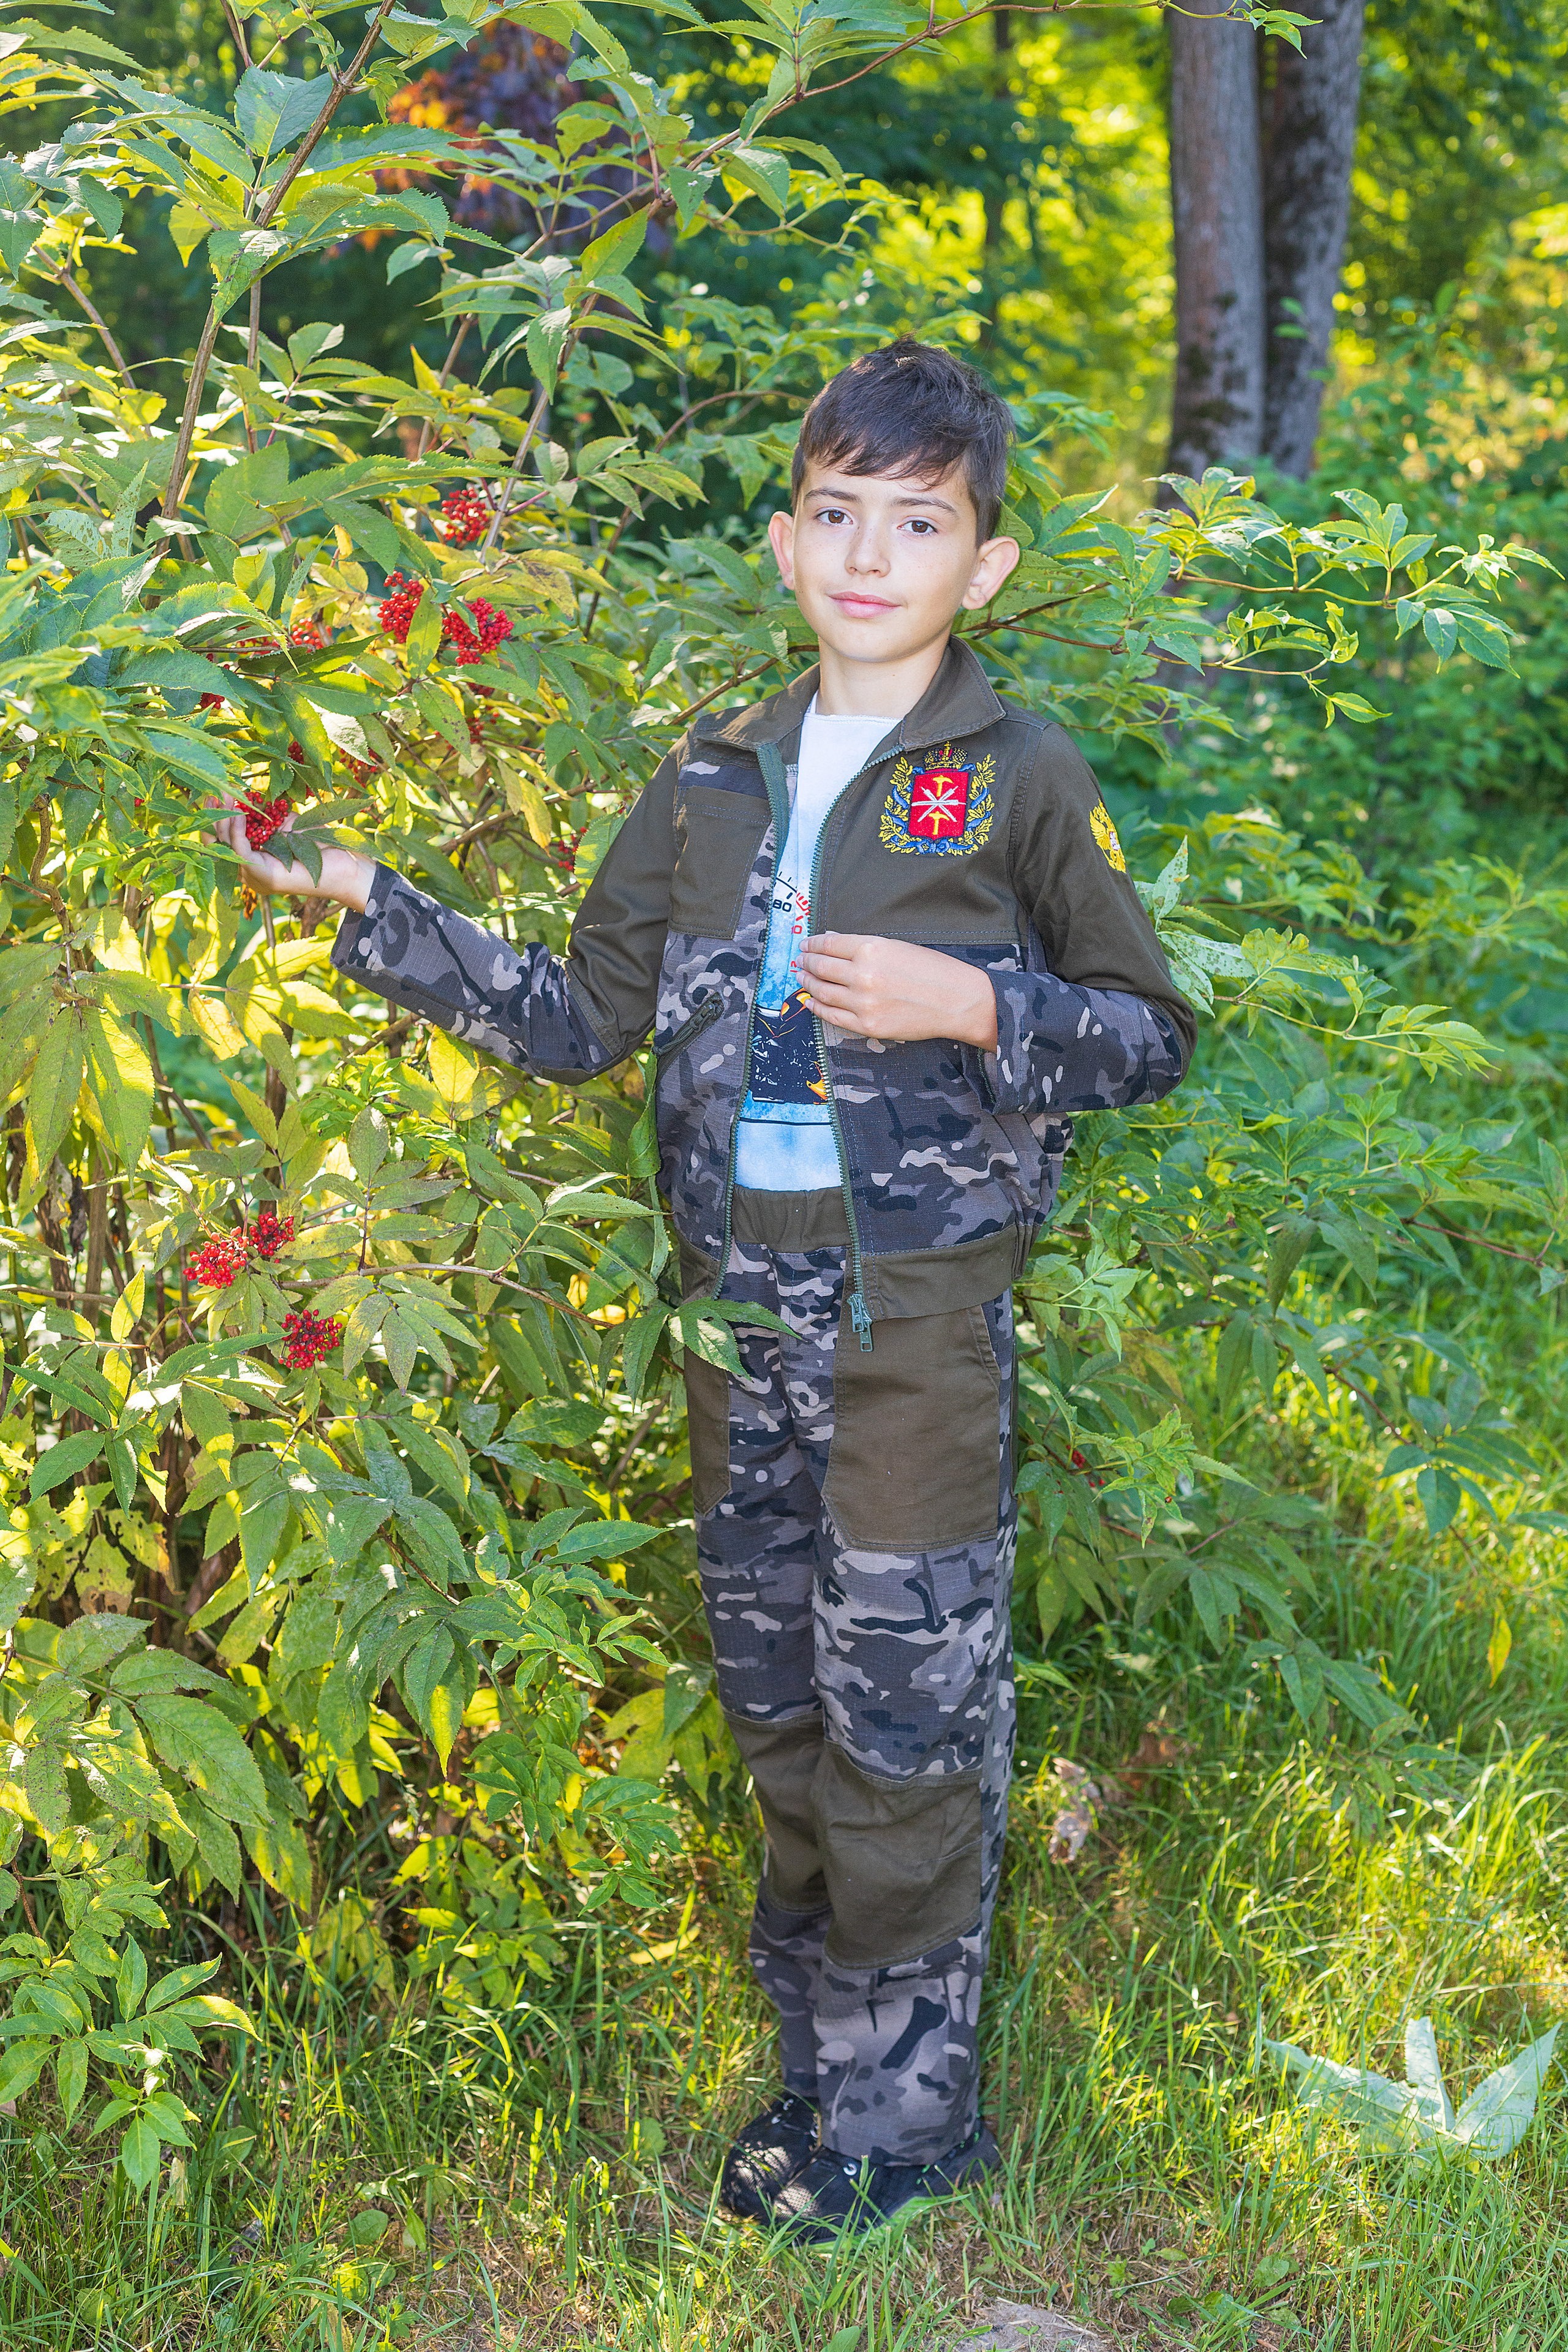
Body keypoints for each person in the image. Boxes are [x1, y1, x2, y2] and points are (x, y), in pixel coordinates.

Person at [215, 337, 1195, 2244]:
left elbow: (1155, 1036)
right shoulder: (709, 776)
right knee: (778, 1696)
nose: (867, 553)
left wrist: (974, 1002)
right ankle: (822, 2064)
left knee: (903, 1712)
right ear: (783, 537)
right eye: (836, 511)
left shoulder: (1015, 776)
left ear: (980, 566)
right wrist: (365, 904)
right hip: (735, 1322)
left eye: (917, 522)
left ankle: (909, 2123)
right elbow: (578, 1016)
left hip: (915, 1327)